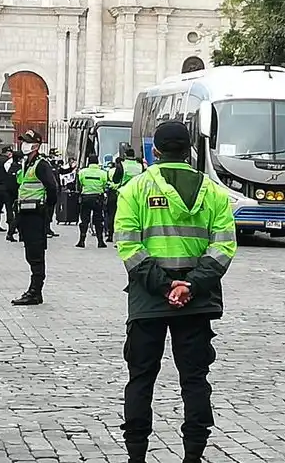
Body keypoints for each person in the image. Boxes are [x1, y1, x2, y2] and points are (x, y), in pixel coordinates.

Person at [113, 121, 237, 463]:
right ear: (189, 151)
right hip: (197, 302)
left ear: (155, 151)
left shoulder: (135, 189)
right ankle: (193, 455)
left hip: (147, 301)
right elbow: (223, 248)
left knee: (140, 379)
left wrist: (165, 285)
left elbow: (128, 246)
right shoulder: (214, 192)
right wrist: (190, 285)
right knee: (195, 380)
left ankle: (136, 454)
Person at [11, 129, 59, 306]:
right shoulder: (27, 164)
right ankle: (34, 290)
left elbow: (52, 188)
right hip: (26, 213)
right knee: (30, 253)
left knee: (36, 253)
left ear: (36, 145)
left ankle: (35, 291)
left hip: (36, 215)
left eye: (28, 141)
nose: (24, 144)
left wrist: (47, 209)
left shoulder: (41, 164)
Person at [75, 154, 109, 249]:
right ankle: (100, 241)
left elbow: (79, 184)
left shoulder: (82, 172)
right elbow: (104, 184)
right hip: (98, 198)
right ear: (97, 162)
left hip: (85, 198)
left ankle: (81, 241)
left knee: (84, 220)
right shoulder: (103, 173)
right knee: (98, 220)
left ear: (88, 162)